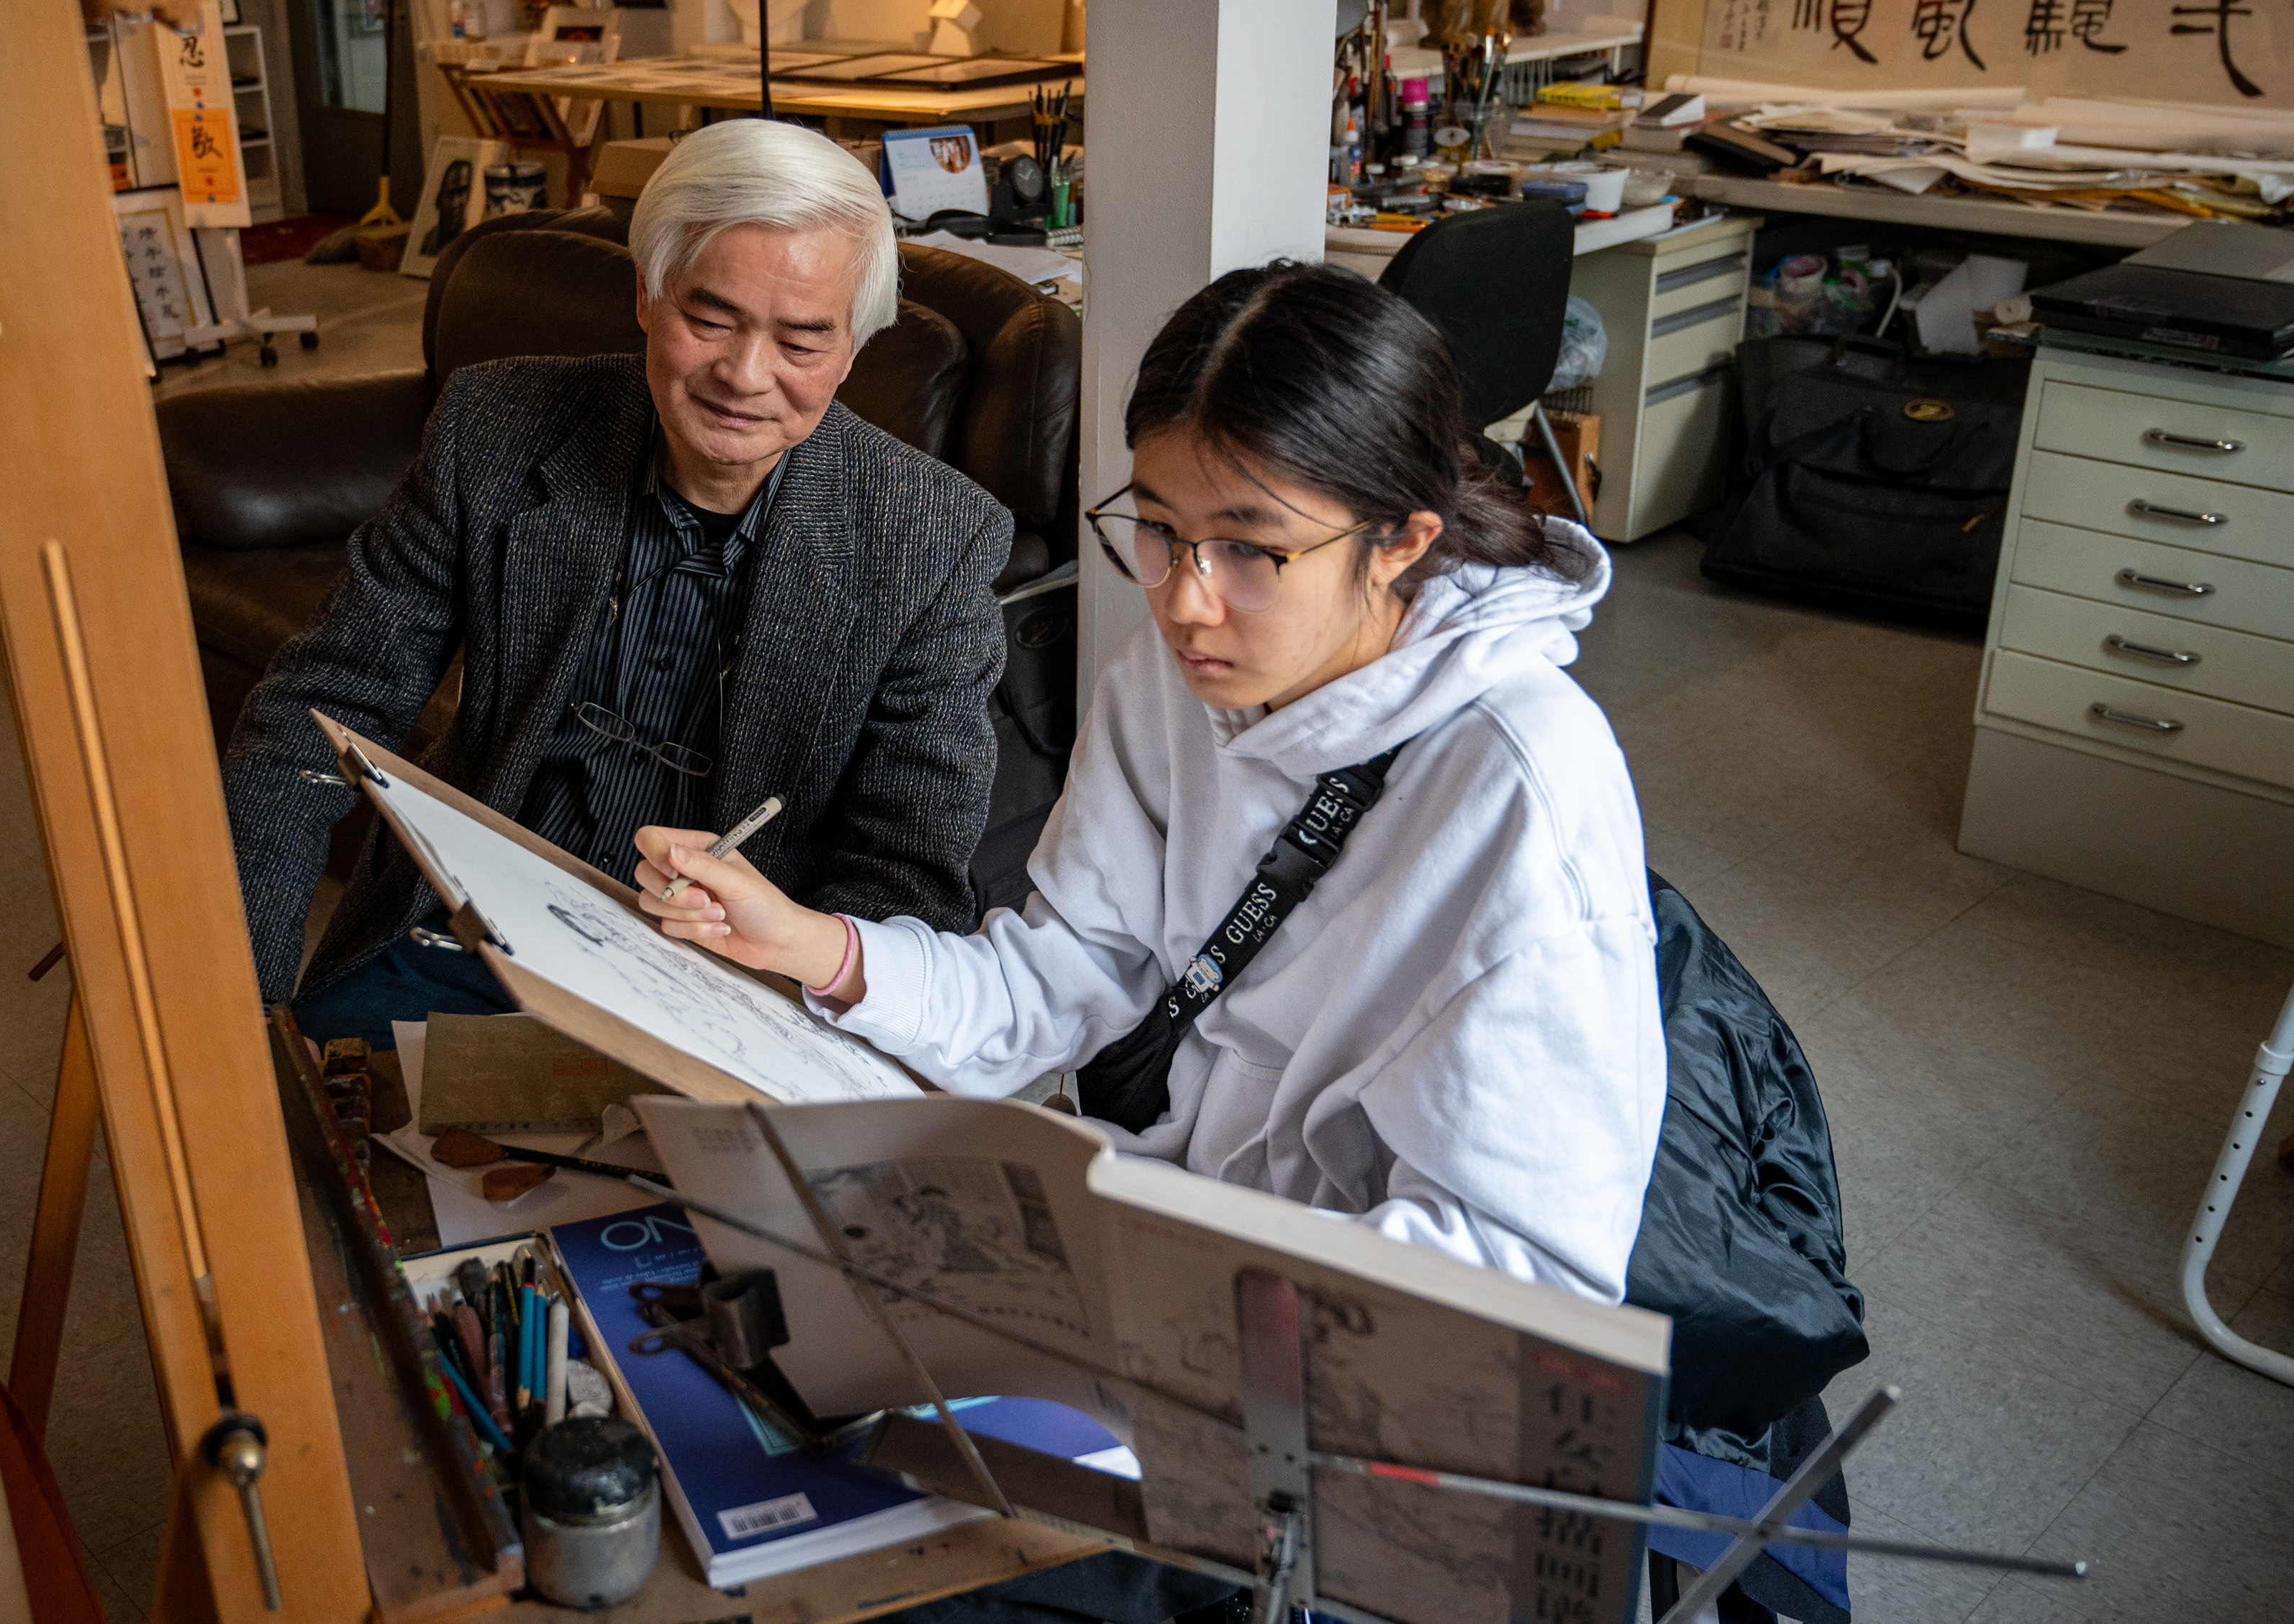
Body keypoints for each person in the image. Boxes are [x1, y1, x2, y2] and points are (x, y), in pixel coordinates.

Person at [636, 258, 1665, 1300]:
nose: (1184, 602)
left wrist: (1192, 1297)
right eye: (1161, 529)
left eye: (1251, 551)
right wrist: (819, 947)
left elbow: (1534, 1275)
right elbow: (1068, 976)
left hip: (1330, 1327)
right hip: (1161, 1229)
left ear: (1401, 541)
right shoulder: (1184, 676)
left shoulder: (1522, 786)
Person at [222, 118, 1013, 1045]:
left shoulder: (937, 543)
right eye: (709, 318)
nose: (744, 377)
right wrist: (242, 1000)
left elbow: (907, 878)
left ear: (852, 350)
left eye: (802, 343)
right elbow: (318, 710)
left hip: (728, 997)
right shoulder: (494, 429)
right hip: (468, 932)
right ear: (646, 295)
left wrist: (782, 998)